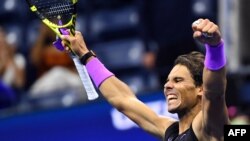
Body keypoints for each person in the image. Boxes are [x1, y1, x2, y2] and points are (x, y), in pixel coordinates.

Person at [61, 18, 229, 141]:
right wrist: (85, 54)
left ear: (200, 88)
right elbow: (123, 100)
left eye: (178, 80)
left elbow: (214, 94)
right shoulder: (169, 131)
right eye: (168, 81)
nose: (168, 86)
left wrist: (215, 47)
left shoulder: (207, 128)